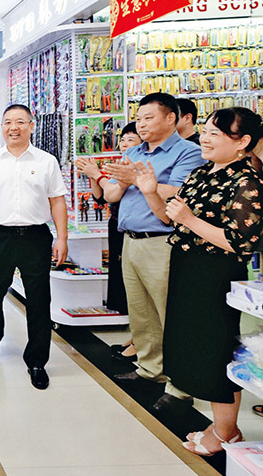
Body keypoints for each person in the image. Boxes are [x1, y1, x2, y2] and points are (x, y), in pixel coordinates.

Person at [131, 107, 263, 456]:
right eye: (205, 131)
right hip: (186, 266)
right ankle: (221, 426)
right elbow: (171, 218)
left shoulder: (247, 182)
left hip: (216, 274)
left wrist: (189, 218)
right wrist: (150, 192)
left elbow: (239, 242)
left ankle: (225, 432)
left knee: (215, 350)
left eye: (215, 134)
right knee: (193, 346)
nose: (204, 138)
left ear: (242, 142)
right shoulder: (203, 172)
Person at [101, 93, 204, 414]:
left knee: (170, 313)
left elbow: (179, 191)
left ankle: (181, 385)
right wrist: (122, 181)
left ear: (171, 118)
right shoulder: (133, 152)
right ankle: (149, 370)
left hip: (163, 241)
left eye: (149, 118)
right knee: (141, 312)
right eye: (139, 119)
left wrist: (138, 180)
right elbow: (111, 193)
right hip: (130, 240)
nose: (142, 124)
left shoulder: (188, 152)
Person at [0, 104, 68, 390]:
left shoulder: (46, 161)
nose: (14, 127)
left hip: (35, 237)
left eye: (21, 122)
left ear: (31, 126)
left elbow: (57, 201)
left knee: (39, 300)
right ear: (2, 127)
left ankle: (36, 361)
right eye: (8, 122)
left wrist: (62, 237)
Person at [75, 123, 142, 360]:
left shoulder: (139, 168)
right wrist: (94, 176)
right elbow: (102, 197)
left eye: (131, 140)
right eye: (122, 139)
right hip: (118, 226)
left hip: (135, 230)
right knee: (124, 282)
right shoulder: (119, 166)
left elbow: (115, 193)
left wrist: (98, 174)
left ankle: (140, 341)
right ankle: (136, 336)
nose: (124, 144)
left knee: (138, 290)